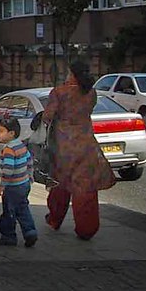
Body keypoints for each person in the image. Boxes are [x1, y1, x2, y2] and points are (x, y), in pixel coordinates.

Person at [42, 58, 116, 240]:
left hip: (64, 145)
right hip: (86, 144)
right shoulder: (91, 92)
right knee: (86, 189)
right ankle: (87, 229)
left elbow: (48, 116)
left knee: (60, 185)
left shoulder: (59, 92)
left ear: (72, 74)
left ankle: (54, 219)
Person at [0, 115, 37, 247]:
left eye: (1, 131)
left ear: (11, 133)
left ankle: (8, 237)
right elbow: (29, 161)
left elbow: (8, 171)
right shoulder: (21, 145)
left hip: (12, 187)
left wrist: (2, 186)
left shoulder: (9, 150)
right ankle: (30, 232)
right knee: (23, 209)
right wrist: (30, 177)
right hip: (24, 184)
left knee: (9, 212)